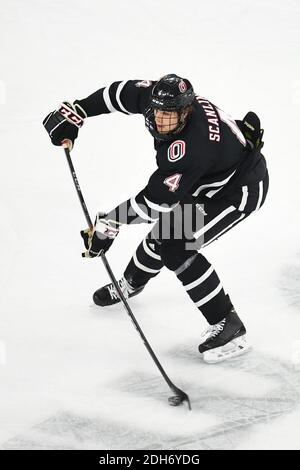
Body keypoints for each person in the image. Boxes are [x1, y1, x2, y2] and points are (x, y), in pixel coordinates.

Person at [43, 74, 269, 364]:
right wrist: (79, 110)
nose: (161, 121)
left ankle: (229, 325)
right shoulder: (157, 97)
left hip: (238, 190)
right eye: (158, 112)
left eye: (170, 116)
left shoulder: (192, 148)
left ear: (186, 112)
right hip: (205, 181)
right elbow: (120, 93)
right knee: (162, 236)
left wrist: (111, 223)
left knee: (175, 246)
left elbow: (155, 202)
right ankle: (131, 283)